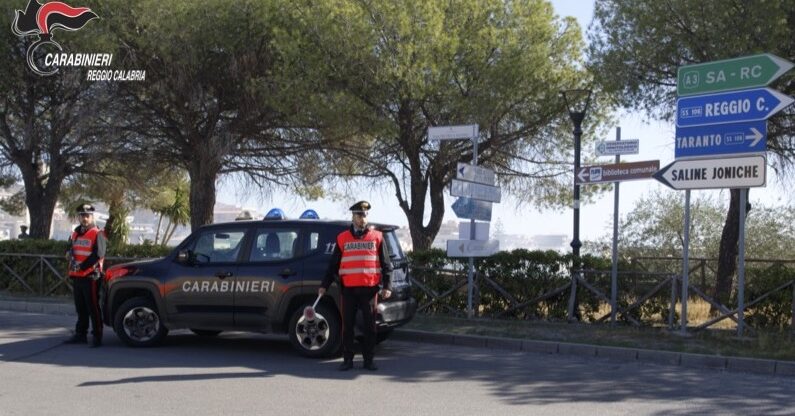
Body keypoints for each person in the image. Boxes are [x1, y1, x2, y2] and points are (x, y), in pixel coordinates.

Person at [319, 200, 392, 371]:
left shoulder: (377, 237)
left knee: (370, 327)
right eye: (359, 215)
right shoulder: (342, 238)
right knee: (348, 327)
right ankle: (347, 360)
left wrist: (387, 286)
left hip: (369, 289)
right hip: (349, 290)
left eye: (364, 215)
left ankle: (368, 360)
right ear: (353, 217)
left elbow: (387, 264)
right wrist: (324, 285)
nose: (362, 219)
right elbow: (333, 265)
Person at [64, 204, 107, 348]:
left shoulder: (98, 233)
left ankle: (97, 336)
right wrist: (68, 254)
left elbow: (98, 254)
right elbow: (70, 248)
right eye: (82, 215)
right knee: (80, 307)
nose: (84, 218)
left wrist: (82, 266)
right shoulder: (75, 233)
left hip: (91, 276)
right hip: (77, 276)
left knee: (93, 308)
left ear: (92, 217)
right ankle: (80, 334)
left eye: (87, 215)